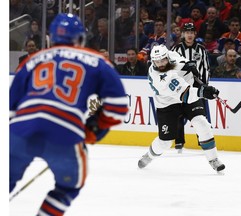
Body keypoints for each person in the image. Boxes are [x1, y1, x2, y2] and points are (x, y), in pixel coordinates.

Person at [10, 13, 128, 215]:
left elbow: (10, 109)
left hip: (21, 129)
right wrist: (95, 127)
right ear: (80, 38)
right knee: (69, 186)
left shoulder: (31, 60)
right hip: (64, 132)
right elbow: (118, 107)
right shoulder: (97, 61)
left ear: (51, 38)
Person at [137, 44, 225, 172]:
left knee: (201, 123)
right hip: (168, 104)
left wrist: (188, 65)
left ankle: (213, 159)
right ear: (152, 61)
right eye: (157, 62)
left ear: (167, 56)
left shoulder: (170, 54)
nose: (160, 64)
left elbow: (180, 61)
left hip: (185, 95)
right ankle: (149, 156)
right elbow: (187, 95)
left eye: (162, 60)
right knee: (165, 142)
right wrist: (203, 92)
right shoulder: (160, 80)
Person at [172, 23, 211, 153]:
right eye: (187, 32)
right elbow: (171, 67)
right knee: (178, 114)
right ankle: (179, 142)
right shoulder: (176, 49)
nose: (189, 34)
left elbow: (206, 68)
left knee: (200, 116)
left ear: (195, 34)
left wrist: (204, 86)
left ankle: (203, 140)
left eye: (192, 32)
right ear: (183, 34)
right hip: (180, 88)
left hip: (197, 88)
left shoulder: (201, 49)